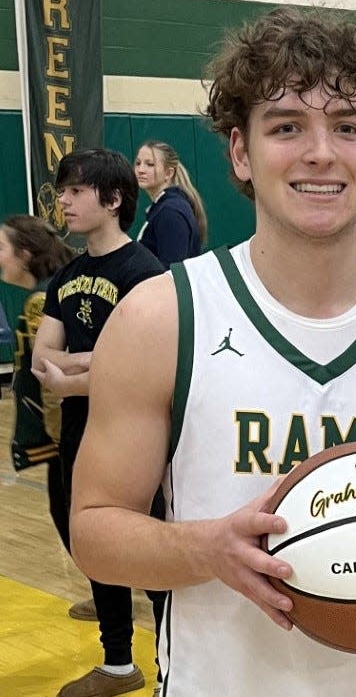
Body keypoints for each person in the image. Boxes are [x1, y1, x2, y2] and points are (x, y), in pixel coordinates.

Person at [65, 6, 356, 697]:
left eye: (348, 127)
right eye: (287, 126)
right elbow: (93, 531)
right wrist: (204, 548)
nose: (320, 152)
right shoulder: (161, 319)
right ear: (241, 151)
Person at [33, 148, 166, 697]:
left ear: (113, 200)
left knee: (155, 554)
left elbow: (151, 365)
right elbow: (44, 356)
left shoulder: (146, 274)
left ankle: (172, 660)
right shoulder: (67, 275)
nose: (63, 200)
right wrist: (97, 365)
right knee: (95, 545)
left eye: (76, 191)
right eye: (63, 190)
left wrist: (87, 368)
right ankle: (117, 664)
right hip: (81, 430)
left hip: (139, 438)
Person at [0, 215, 75, 546]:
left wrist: (61, 440)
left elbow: (50, 380)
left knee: (68, 515)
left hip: (66, 433)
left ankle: (119, 598)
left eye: (2, 247)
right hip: (67, 433)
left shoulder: (40, 303)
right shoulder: (51, 291)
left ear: (25, 254)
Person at [134, 140, 208, 268]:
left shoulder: (171, 212)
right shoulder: (165, 207)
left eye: (150, 164)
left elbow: (171, 272)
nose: (141, 170)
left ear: (168, 173)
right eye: (138, 163)